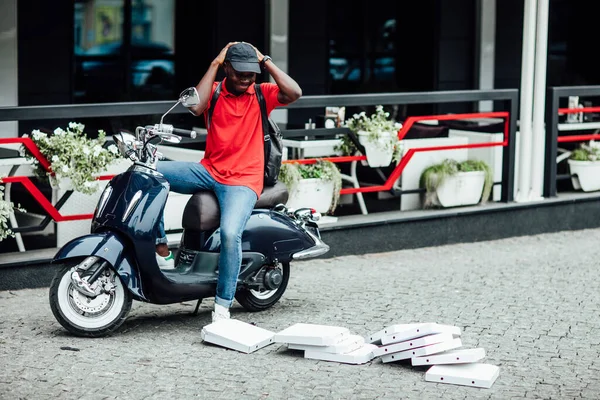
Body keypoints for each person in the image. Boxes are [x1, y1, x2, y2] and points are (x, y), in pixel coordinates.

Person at [154, 41, 302, 323]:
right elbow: (196, 106)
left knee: (230, 234)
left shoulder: (261, 93)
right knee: (151, 172)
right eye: (240, 73)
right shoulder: (216, 92)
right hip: (209, 170)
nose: (246, 79)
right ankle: (161, 245)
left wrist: (265, 60)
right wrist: (214, 63)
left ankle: (222, 307)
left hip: (243, 180)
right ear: (227, 69)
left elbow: (294, 92)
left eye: (251, 73)